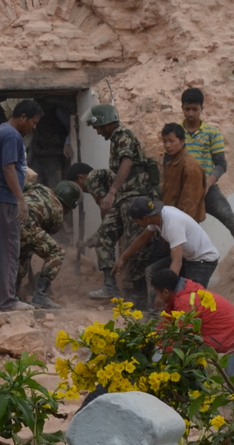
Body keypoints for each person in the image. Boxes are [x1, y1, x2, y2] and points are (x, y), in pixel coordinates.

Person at [181, 88, 234, 280]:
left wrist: (208, 184)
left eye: (195, 109)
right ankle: (182, 277)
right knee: (182, 231)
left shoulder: (212, 133)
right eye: (187, 109)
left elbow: (221, 164)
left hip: (209, 190)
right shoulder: (176, 133)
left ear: (202, 108)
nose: (191, 113)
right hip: (185, 192)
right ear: (182, 108)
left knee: (231, 219)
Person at [85, 104, 156, 302]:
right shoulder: (115, 138)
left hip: (135, 197)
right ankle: (110, 285)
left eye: (98, 127)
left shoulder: (122, 135)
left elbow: (127, 162)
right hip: (123, 198)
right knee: (103, 236)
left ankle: (139, 295)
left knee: (136, 246)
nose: (98, 132)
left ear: (105, 123)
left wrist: (112, 192)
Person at [0, 99, 43, 312]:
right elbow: (8, 168)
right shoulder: (11, 135)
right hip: (4, 199)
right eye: (33, 122)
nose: (34, 127)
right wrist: (20, 200)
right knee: (8, 250)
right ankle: (8, 300)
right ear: (23, 117)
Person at [149, 266, 234, 378]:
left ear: (165, 292)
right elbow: (169, 320)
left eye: (157, 292)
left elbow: (184, 337)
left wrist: (160, 350)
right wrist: (154, 338)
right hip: (230, 331)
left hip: (233, 338)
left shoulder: (185, 301)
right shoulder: (183, 291)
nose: (158, 296)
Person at [116, 195, 220, 289]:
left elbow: (177, 262)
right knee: (152, 272)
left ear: (146, 219)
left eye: (135, 220)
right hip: (187, 258)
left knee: (192, 297)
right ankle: (156, 304)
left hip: (202, 261)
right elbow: (143, 238)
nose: (135, 223)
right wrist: (123, 258)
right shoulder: (157, 217)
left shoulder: (172, 224)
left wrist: (166, 289)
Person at [18, 178, 81, 309]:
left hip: (8, 216)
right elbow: (41, 241)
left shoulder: (40, 187)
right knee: (56, 252)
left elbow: (21, 185)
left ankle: (13, 295)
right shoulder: (58, 213)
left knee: (23, 255)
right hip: (26, 225)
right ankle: (40, 295)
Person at [160, 123, 206, 222]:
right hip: (170, 217)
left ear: (182, 141)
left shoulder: (190, 166)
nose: (167, 145)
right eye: (165, 141)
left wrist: (179, 223)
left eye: (171, 141)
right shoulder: (170, 164)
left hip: (183, 221)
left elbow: (190, 202)